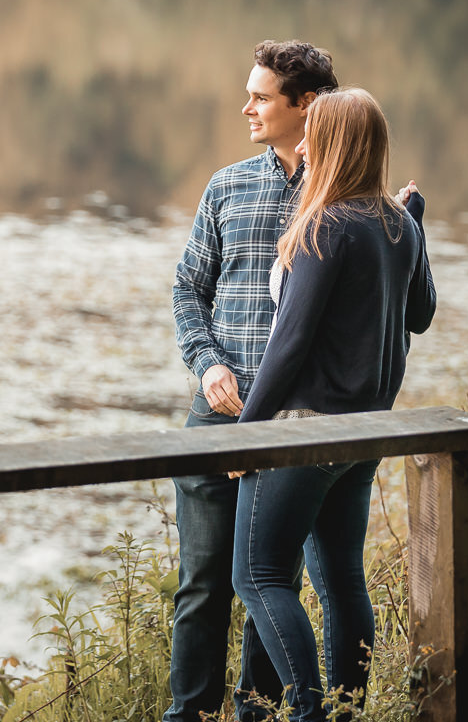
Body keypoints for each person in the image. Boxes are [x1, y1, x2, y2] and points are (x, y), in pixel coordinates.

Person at [231, 87, 436, 722]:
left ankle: (307, 711)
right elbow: (422, 314)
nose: (301, 143)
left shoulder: (325, 225)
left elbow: (289, 345)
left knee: (259, 576)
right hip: (362, 433)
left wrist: (243, 432)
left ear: (335, 144)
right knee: (342, 579)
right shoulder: (393, 223)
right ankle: (348, 712)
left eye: (312, 134)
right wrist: (416, 229)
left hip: (306, 429)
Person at [167, 39, 339, 722]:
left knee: (272, 582)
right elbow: (187, 288)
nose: (247, 107)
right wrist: (206, 363)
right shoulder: (226, 185)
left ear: (307, 106)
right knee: (202, 585)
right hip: (216, 415)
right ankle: (189, 718)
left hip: (293, 424)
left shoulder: (343, 199)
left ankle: (257, 715)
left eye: (262, 96)